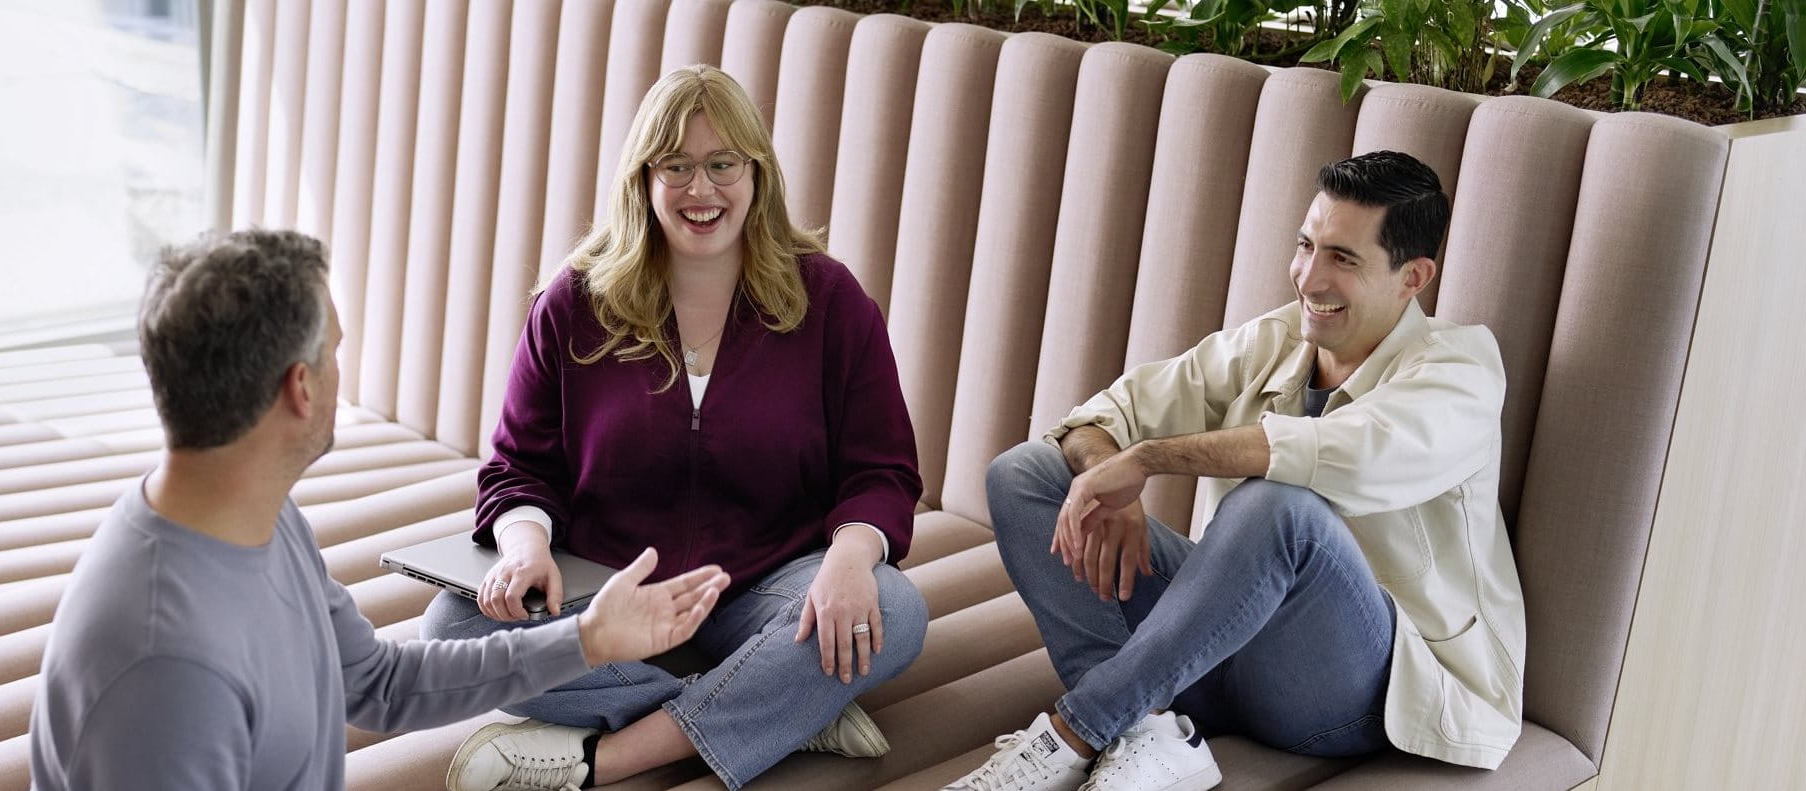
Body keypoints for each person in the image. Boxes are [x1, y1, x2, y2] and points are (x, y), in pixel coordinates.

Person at [27, 229, 732, 790]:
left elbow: (378, 683)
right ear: (299, 387)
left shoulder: (259, 518)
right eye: (335, 352)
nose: (343, 372)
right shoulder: (167, 668)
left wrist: (589, 639)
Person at [948, 152, 1524, 791]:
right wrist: (1107, 466)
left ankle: (1081, 728)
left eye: (1344, 258)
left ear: (1413, 276)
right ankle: (1151, 730)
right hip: (1221, 653)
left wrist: (1148, 459)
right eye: (1307, 246)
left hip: (1359, 693)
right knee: (1026, 472)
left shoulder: (1461, 369)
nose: (1309, 277)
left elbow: (1343, 451)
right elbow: (1108, 412)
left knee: (1279, 509)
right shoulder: (1277, 338)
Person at [429, 65, 929, 791]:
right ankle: (782, 709)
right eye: (678, 166)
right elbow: (518, 467)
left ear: (757, 173)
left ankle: (611, 755)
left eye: (723, 164)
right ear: (644, 178)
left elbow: (882, 470)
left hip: (768, 590)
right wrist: (524, 543)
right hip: (611, 593)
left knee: (895, 607)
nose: (702, 190)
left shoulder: (830, 299)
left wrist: (851, 558)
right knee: (450, 629)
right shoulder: (574, 302)